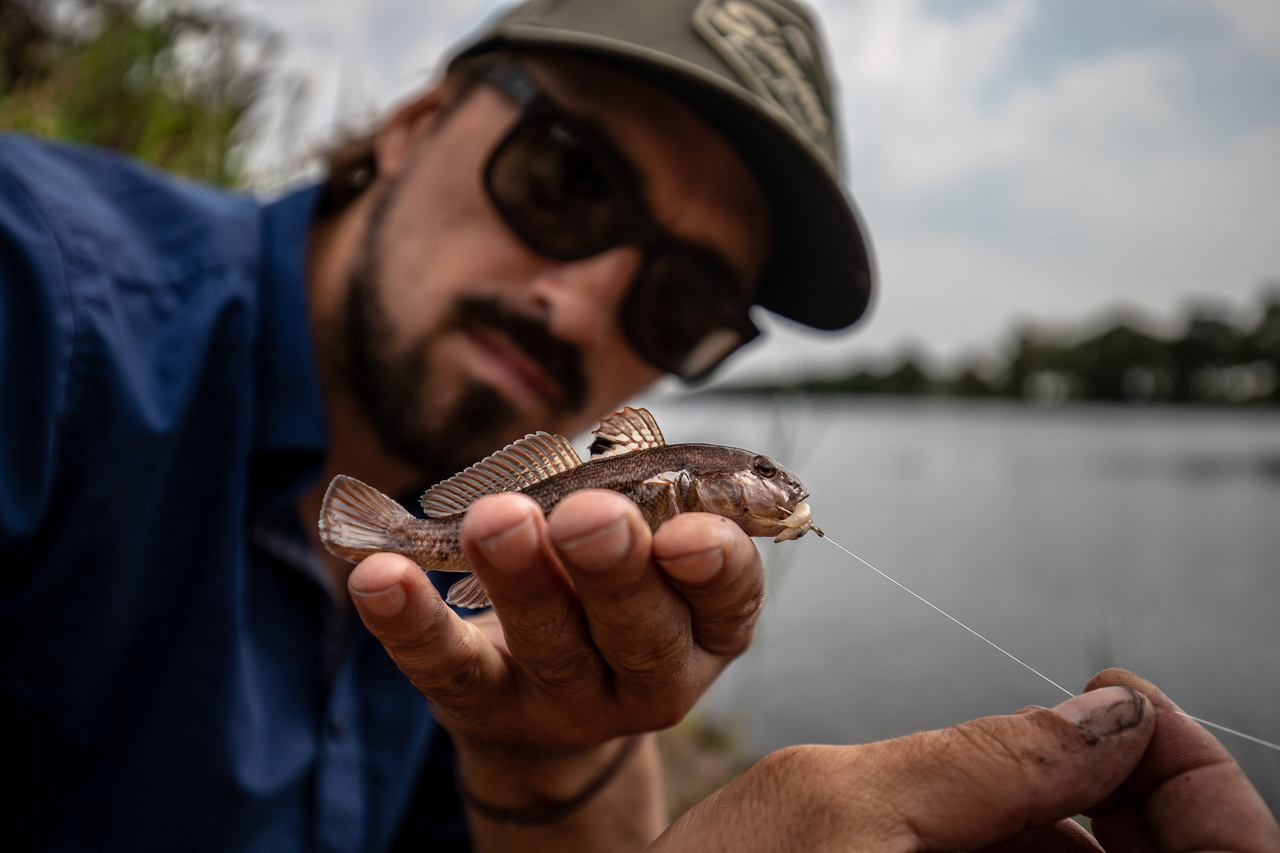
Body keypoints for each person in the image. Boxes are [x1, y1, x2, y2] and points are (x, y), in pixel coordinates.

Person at [0, 0, 1275, 851]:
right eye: (564, 180)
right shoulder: (31, 293)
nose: (586, 300)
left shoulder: (514, 570)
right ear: (413, 126)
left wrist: (548, 758)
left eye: (685, 299)